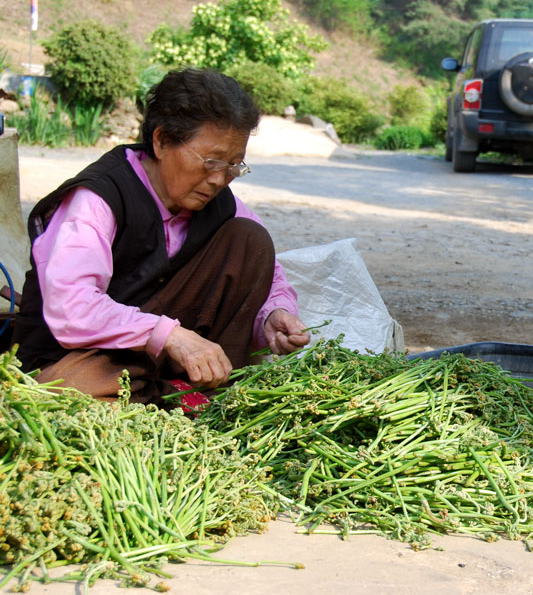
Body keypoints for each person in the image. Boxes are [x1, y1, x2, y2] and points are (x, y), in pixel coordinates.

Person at [13, 67, 310, 403]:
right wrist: (169, 336)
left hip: (154, 360)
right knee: (73, 388)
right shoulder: (98, 200)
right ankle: (168, 398)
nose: (219, 179)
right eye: (211, 161)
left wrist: (272, 315)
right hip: (83, 355)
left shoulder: (221, 204)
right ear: (161, 140)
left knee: (249, 239)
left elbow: (271, 279)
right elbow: (72, 307)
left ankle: (199, 393)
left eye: (234, 165)